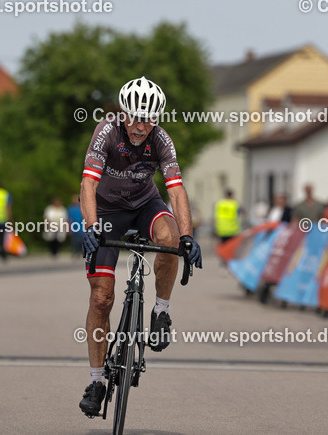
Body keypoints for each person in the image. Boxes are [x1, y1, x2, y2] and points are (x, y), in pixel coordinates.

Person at [78, 76, 202, 417]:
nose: (139, 126)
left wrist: (188, 236)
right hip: (106, 211)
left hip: (145, 204)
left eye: (147, 120)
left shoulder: (161, 139)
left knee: (170, 239)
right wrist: (90, 227)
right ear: (122, 113)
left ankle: (161, 311)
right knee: (101, 298)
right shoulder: (107, 132)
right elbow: (87, 184)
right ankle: (96, 380)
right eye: (133, 117)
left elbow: (175, 190)